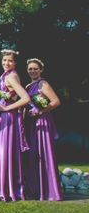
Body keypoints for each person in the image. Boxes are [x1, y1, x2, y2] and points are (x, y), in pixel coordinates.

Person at [0, 49, 31, 202]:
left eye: (9, 60)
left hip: (8, 117)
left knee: (6, 151)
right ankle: (4, 186)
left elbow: (25, 98)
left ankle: (6, 189)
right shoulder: (6, 75)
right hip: (4, 116)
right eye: (4, 60)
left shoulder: (11, 76)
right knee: (4, 151)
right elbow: (13, 95)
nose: (6, 63)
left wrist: (7, 108)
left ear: (15, 63)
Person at [24, 58, 63, 201]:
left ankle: (50, 190)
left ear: (41, 70)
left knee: (44, 153)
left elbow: (56, 101)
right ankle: (37, 189)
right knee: (35, 154)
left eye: (35, 68)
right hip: (31, 123)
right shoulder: (28, 86)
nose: (32, 71)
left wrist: (41, 110)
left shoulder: (43, 83)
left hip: (42, 121)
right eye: (30, 69)